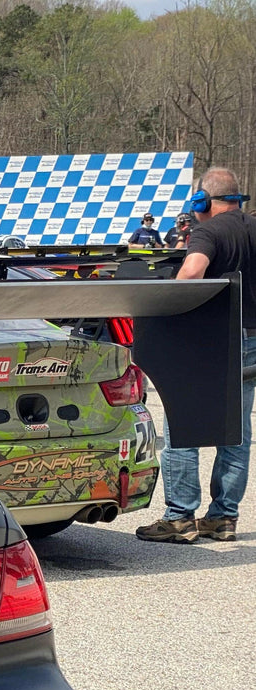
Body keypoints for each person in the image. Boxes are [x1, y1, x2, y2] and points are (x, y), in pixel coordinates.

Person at [136, 167, 256, 544]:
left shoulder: (208, 230)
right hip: (251, 339)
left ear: (203, 201)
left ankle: (179, 518)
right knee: (236, 430)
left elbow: (191, 272)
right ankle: (223, 518)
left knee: (180, 421)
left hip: (210, 340)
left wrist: (167, 302)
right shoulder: (253, 227)